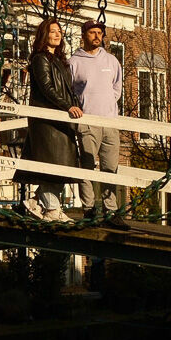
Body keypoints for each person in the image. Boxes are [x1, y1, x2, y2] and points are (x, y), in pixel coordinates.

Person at [21, 18, 78, 221]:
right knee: (51, 162)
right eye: (53, 31)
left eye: (59, 31)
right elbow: (46, 87)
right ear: (44, 35)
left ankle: (36, 202)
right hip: (47, 120)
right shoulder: (40, 59)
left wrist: (73, 104)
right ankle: (52, 209)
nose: (57, 34)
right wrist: (67, 106)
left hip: (60, 119)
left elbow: (67, 88)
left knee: (63, 163)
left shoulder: (60, 61)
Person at [69, 19, 126, 217]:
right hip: (88, 122)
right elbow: (70, 91)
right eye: (92, 33)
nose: (96, 36)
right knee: (86, 165)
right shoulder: (74, 62)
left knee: (110, 167)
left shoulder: (111, 61)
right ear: (84, 35)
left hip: (110, 122)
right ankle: (89, 208)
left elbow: (117, 89)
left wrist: (108, 104)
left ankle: (111, 209)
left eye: (99, 33)